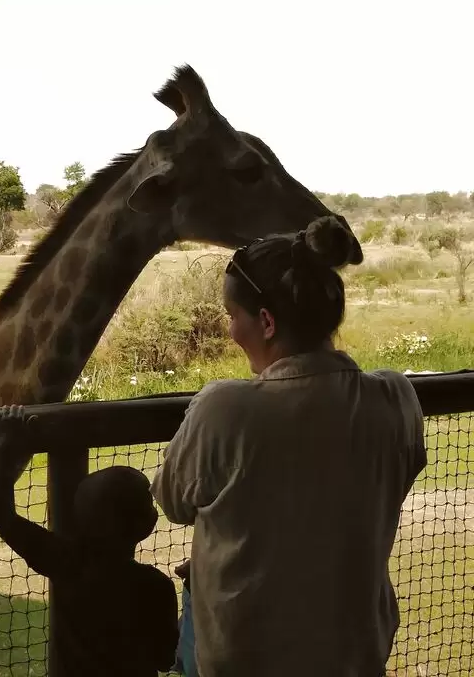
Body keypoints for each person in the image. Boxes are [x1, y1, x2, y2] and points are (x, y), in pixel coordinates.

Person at [152, 216, 427, 677]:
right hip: (355, 654)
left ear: (265, 321)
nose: (230, 329)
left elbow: (173, 500)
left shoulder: (224, 408)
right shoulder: (395, 397)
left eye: (232, 316)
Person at [0, 405, 179, 677]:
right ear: (148, 526)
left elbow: (2, 516)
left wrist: (8, 448)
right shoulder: (157, 587)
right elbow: (165, 658)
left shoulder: (65, 562)